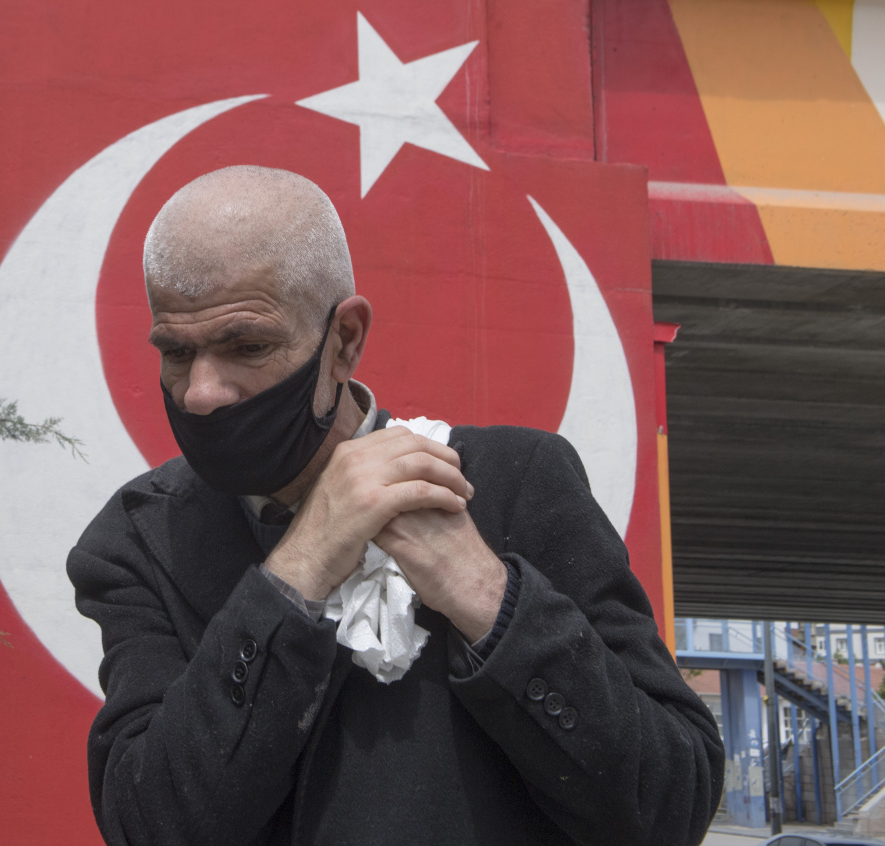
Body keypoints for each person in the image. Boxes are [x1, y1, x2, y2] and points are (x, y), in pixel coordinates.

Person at [67, 165, 724, 846]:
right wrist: (295, 573)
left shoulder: (511, 484)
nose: (202, 392)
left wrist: (492, 602)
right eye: (177, 353)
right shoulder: (141, 539)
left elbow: (670, 805)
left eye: (248, 346)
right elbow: (150, 826)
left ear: (345, 341)